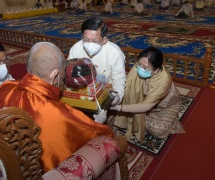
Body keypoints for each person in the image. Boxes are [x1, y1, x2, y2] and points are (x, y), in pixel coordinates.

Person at [0, 42, 113, 172]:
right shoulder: (58, 114)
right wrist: (98, 122)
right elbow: (96, 134)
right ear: (54, 76)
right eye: (62, 73)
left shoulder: (6, 87)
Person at [110, 47, 185, 142]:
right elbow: (127, 85)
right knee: (114, 114)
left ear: (157, 69)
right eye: (139, 64)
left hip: (163, 106)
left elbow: (146, 106)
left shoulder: (164, 80)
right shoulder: (138, 66)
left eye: (145, 67)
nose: (140, 68)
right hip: (143, 102)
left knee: (157, 131)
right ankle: (141, 114)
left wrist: (120, 108)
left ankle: (172, 121)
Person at [67, 17, 126, 106]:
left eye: (95, 41)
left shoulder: (114, 52)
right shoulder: (77, 48)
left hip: (104, 90)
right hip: (80, 88)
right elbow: (68, 72)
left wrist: (117, 97)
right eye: (86, 40)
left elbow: (119, 80)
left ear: (104, 40)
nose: (90, 44)